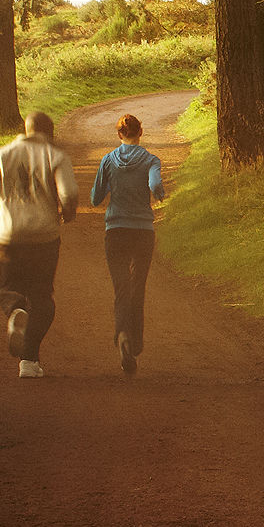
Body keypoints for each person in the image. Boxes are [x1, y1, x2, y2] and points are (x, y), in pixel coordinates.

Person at [0, 110, 78, 378]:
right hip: (44, 237)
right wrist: (68, 213)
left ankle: (15, 308)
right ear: (49, 133)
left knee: (6, 287)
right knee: (42, 298)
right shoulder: (56, 156)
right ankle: (29, 361)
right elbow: (70, 192)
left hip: (10, 235)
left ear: (26, 129)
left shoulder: (2, 154)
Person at [89, 110, 167, 377]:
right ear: (140, 133)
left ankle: (123, 335)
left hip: (116, 230)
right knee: (138, 286)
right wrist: (159, 195)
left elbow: (95, 198)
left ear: (119, 134)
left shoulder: (108, 160)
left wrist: (112, 185)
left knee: (121, 288)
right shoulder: (151, 160)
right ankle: (135, 344)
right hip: (143, 231)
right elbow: (155, 184)